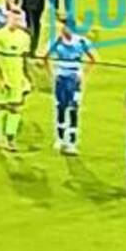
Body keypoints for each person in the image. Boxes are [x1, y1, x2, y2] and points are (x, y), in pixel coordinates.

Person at [44, 20, 96, 155]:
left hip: (74, 80)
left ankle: (72, 142)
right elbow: (44, 57)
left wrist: (83, 74)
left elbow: (93, 59)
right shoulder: (56, 41)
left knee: (73, 109)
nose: (60, 30)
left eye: (63, 27)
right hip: (61, 79)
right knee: (60, 108)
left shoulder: (81, 42)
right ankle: (60, 139)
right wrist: (52, 74)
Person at [0, 10, 32, 152]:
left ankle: (10, 138)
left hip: (17, 77)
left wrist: (26, 78)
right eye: (13, 18)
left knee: (15, 108)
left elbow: (24, 58)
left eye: (19, 19)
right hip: (2, 77)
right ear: (8, 18)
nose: (16, 21)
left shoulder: (24, 37)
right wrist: (2, 79)